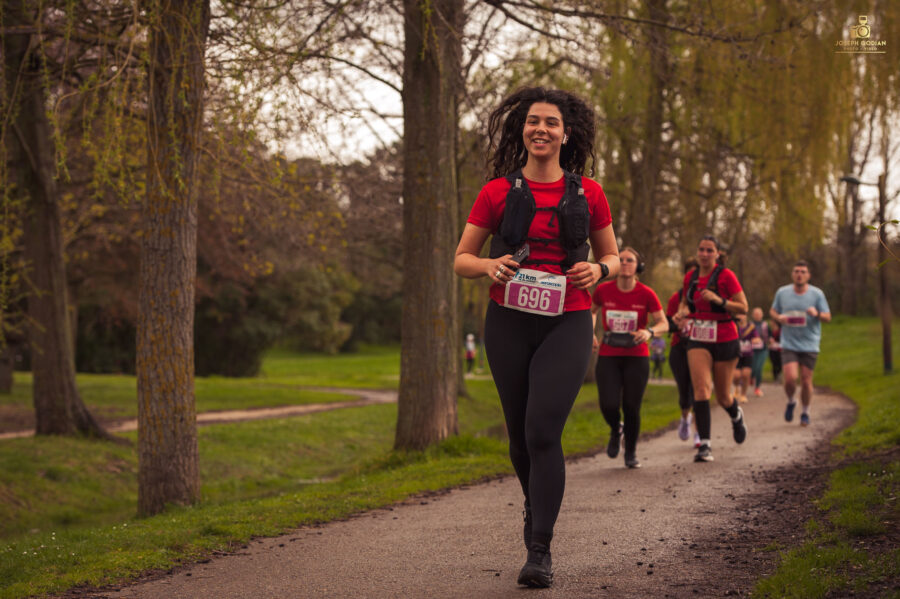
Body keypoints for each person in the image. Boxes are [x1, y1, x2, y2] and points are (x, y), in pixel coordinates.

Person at [454, 86, 619, 588]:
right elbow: (461, 259)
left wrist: (599, 268)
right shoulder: (496, 191)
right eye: (532, 122)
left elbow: (612, 256)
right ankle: (535, 505)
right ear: (522, 130)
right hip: (508, 322)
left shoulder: (589, 193)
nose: (540, 129)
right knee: (521, 439)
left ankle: (539, 548)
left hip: (568, 319)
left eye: (550, 122)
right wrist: (488, 265)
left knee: (544, 430)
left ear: (566, 134)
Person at [673, 235, 749, 463]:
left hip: (725, 338)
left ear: (717, 254)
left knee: (724, 396)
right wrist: (682, 312)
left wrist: (720, 300)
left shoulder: (726, 276)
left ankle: (736, 415)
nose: (704, 254)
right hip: (699, 337)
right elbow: (686, 302)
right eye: (701, 250)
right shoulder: (691, 277)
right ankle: (704, 444)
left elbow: (743, 307)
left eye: (709, 250)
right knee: (701, 390)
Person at [591, 247, 667, 469]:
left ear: (638, 266)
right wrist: (590, 332)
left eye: (629, 260)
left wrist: (649, 332)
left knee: (632, 406)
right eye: (621, 259)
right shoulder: (603, 290)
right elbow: (591, 310)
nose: (624, 263)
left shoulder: (646, 293)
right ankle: (616, 429)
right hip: (608, 355)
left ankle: (631, 452)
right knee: (608, 404)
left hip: (637, 356)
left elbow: (663, 323)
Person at [769, 260, 831, 426]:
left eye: (803, 271)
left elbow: (828, 316)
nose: (799, 274)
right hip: (789, 343)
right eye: (796, 271)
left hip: (810, 343)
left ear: (808, 275)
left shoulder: (817, 294)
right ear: (792, 274)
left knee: (805, 380)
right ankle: (791, 400)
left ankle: (805, 412)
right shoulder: (782, 292)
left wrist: (816, 313)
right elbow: (773, 310)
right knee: (790, 379)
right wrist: (778, 317)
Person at [666, 259, 699, 445]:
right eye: (691, 275)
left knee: (699, 390)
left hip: (701, 347)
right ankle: (685, 418)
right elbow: (667, 324)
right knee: (684, 391)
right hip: (679, 348)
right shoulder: (675, 298)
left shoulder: (706, 298)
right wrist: (676, 324)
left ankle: (699, 432)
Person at [733, 314, 756, 404]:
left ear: (746, 316)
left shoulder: (751, 327)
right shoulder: (734, 326)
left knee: (746, 375)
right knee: (736, 376)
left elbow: (756, 337)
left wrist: (756, 339)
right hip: (736, 355)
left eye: (742, 315)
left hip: (748, 354)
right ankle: (737, 388)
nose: (741, 317)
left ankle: (743, 395)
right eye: (739, 315)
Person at [749, 307, 770, 396]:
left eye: (759, 313)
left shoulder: (765, 324)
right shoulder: (749, 325)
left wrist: (770, 339)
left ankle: (757, 388)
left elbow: (770, 335)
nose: (757, 315)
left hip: (763, 349)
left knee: (759, 368)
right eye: (755, 314)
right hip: (751, 349)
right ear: (753, 315)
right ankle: (751, 377)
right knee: (753, 368)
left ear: (762, 315)